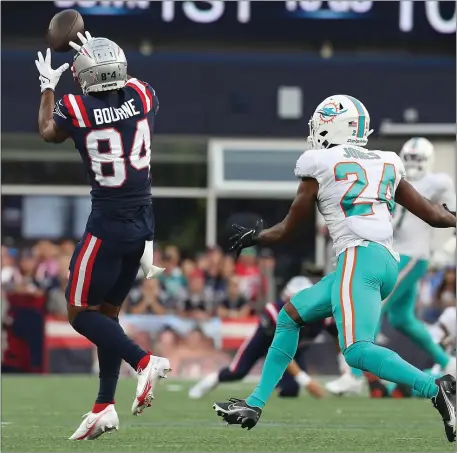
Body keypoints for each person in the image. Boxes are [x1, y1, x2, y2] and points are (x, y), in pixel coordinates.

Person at [212, 94, 456, 442]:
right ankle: (254, 403)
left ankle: (435, 387)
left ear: (331, 125)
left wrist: (256, 236)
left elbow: (287, 229)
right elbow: (433, 215)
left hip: (357, 259)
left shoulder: (318, 162)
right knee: (289, 315)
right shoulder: (386, 161)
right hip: (385, 261)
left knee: (357, 350)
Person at [35, 31, 170, 440]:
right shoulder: (143, 95)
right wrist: (101, 55)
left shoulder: (75, 107)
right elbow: (127, 86)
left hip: (107, 222)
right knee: (107, 313)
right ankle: (103, 405)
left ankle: (144, 360)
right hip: (143, 220)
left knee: (79, 313)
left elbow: (47, 131)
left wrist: (47, 87)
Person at [327, 137, 456, 395]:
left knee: (375, 305)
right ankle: (448, 362)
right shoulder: (393, 176)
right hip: (394, 252)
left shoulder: (436, 182)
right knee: (401, 318)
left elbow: (452, 211)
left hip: (411, 255)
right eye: (410, 157)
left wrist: (448, 247)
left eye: (418, 158)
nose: (413, 163)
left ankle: (354, 374)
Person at [189, 276, 326, 400]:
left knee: (291, 389)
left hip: (292, 350)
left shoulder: (321, 315)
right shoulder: (275, 311)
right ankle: (209, 381)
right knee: (237, 372)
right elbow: (280, 351)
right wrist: (306, 381)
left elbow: (337, 333)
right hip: (263, 343)